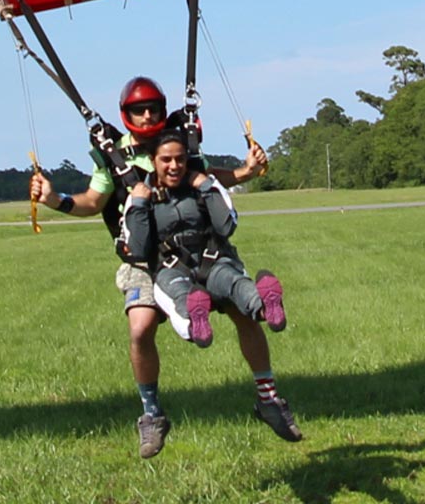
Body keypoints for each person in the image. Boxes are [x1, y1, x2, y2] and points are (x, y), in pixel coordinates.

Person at [29, 77, 300, 457]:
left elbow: (204, 173)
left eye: (152, 109)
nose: (146, 115)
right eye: (139, 110)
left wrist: (244, 173)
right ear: (126, 115)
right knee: (140, 328)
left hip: (198, 246)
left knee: (244, 311)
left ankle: (268, 398)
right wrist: (54, 199)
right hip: (144, 257)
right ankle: (152, 414)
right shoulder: (113, 155)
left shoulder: (181, 143)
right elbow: (93, 200)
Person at [121, 127, 291, 358]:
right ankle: (195, 323)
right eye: (166, 160)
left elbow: (226, 226)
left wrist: (206, 186)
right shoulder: (140, 195)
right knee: (179, 295)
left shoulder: (204, 185)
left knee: (234, 282)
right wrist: (140, 205)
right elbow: (138, 249)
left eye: (180, 159)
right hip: (170, 268)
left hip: (212, 261)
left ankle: (266, 307)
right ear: (153, 161)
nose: (174, 166)